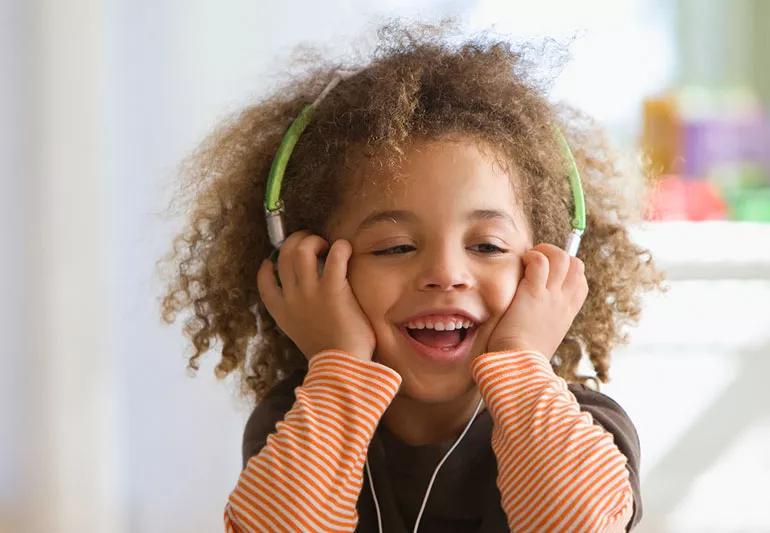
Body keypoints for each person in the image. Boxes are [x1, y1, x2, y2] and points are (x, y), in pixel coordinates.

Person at [158, 20, 666, 532]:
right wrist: (339, 367)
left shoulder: (581, 427)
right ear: (310, 266)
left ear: (547, 268)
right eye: (396, 247)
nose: (446, 274)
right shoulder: (306, 421)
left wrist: (519, 363)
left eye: (487, 246)